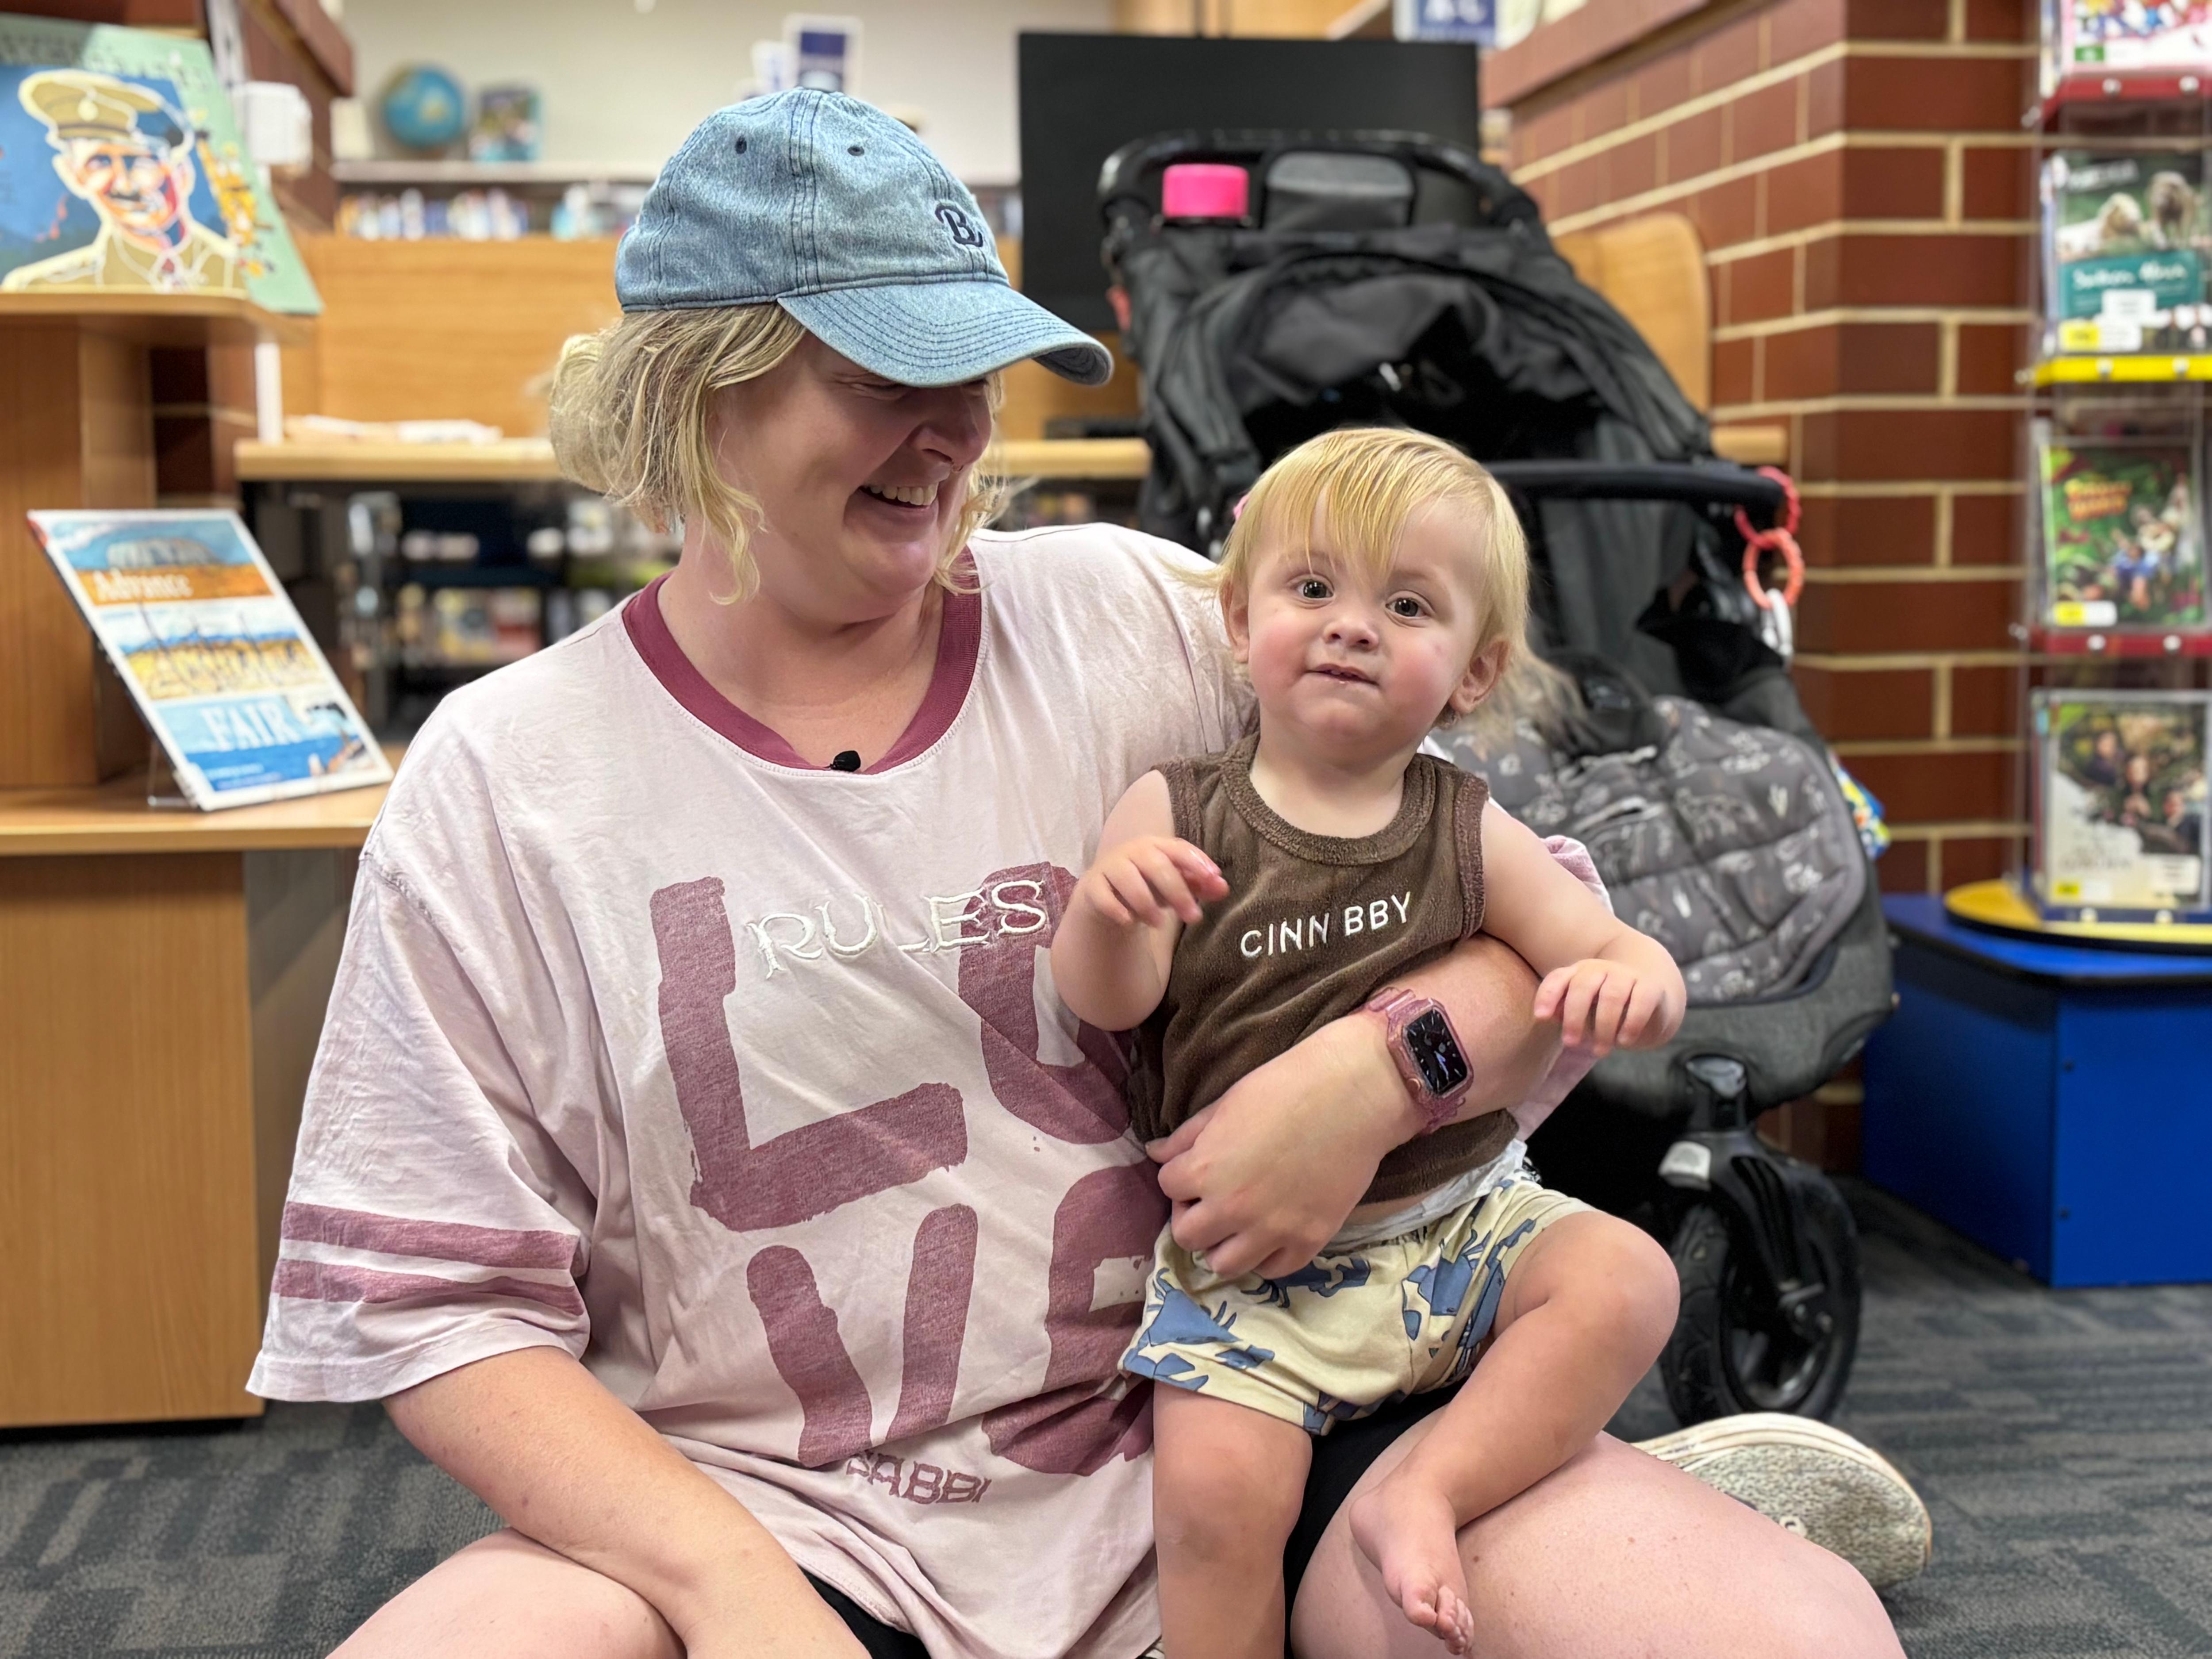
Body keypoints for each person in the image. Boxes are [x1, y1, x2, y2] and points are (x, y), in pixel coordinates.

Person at [250, 91, 1914, 1659]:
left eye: (974, 373)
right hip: (772, 1506)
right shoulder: (510, 775)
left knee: (1793, 1631)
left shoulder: (1133, 616)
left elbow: (1517, 896)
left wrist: (1374, 1064)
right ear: (701, 388)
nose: (957, 431)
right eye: (886, 376)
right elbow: (438, 1304)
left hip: (1276, 1393)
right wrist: (733, 1592)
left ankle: (1609, 1498)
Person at [1051, 428, 1686, 1657]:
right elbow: (1111, 1001)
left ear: (1473, 670)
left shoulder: (1463, 823)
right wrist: (1107, 907)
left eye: (1405, 604)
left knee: (1626, 1279)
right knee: (1212, 1504)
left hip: (1458, 1219)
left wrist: (1635, 988)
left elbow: (1605, 944)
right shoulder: (1179, 808)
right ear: (1240, 625)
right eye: (1312, 589)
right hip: (1255, 1268)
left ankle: (1428, 1486)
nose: (1352, 625)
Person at [3, 69, 244, 293]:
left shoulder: (239, 275)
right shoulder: (44, 291)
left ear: (182, 174)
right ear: (76, 176)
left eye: (140, 161)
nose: (124, 186)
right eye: (100, 163)